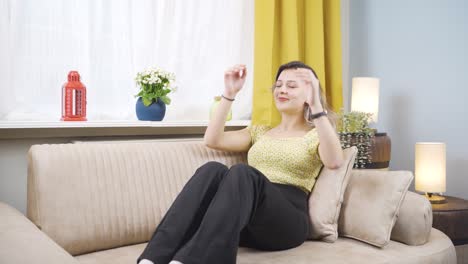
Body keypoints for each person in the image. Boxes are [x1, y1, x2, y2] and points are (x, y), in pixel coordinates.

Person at [137, 61, 344, 264]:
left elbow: (334, 161)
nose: (282, 90)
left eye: (291, 86)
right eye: (279, 85)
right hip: (245, 219)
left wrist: (317, 107)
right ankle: (151, 259)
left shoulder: (316, 134)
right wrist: (230, 94)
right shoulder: (260, 131)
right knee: (213, 170)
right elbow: (212, 140)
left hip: (286, 222)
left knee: (242, 172)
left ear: (309, 95)